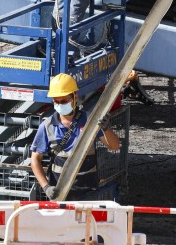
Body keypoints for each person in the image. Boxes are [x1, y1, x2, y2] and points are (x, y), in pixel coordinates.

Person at [30, 73, 120, 201]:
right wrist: (46, 187)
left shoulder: (90, 121)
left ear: (75, 97)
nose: (60, 104)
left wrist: (106, 128)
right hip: (59, 193)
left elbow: (115, 146)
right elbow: (35, 160)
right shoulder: (47, 126)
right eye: (57, 101)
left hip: (88, 192)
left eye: (65, 101)